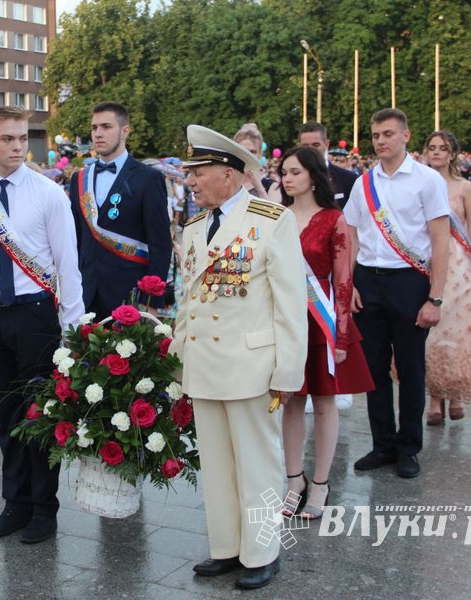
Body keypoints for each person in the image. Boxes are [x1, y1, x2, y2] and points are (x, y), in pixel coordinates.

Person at [170, 125, 308, 590]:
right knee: (217, 462)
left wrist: (288, 370)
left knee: (257, 462)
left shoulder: (270, 220)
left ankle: (263, 551)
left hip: (252, 367)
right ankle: (227, 547)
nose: (190, 181)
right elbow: (189, 300)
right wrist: (177, 360)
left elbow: (290, 303)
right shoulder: (192, 229)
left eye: (198, 171)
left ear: (227, 174)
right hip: (205, 367)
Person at [0, 107, 84, 544]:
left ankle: (45, 510)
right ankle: (16, 504)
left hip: (36, 315)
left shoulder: (48, 193)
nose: (18, 147)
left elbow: (68, 264)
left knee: (42, 416)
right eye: (7, 139)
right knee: (7, 419)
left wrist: (72, 329)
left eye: (23, 138)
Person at [344, 108, 450, 479]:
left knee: (409, 367)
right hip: (368, 282)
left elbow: (440, 240)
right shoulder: (364, 184)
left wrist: (434, 297)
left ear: (405, 136)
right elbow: (352, 234)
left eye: (388, 134)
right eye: (375, 136)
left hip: (409, 281)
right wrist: (351, 284)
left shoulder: (426, 180)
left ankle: (409, 447)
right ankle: (383, 444)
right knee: (373, 369)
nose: (381, 141)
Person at [277, 146, 374, 520]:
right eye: (284, 172)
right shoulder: (278, 218)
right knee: (290, 401)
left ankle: (320, 484)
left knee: (324, 401)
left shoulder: (334, 219)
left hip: (321, 322)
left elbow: (344, 280)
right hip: (287, 320)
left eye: (295, 172)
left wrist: (343, 336)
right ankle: (293, 481)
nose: (287, 178)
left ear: (314, 176)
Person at [68, 102, 172, 320]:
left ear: (125, 131)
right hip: (85, 295)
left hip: (130, 296)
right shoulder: (79, 179)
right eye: (94, 127)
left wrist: (151, 301)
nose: (98, 134)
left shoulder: (149, 178)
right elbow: (75, 241)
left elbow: (160, 244)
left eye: (106, 127)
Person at [423, 131, 471, 424]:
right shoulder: (419, 185)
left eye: (443, 149)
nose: (436, 153)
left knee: (457, 330)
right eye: (432, 148)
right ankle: (435, 398)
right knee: (432, 334)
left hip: (460, 267)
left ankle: (456, 393)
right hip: (428, 263)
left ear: (452, 154)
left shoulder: (465, 188)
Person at [299, 121, 359, 208]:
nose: (310, 150)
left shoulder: (349, 179)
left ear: (326, 144)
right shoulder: (290, 180)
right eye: (305, 146)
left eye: (316, 145)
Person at [233, 123, 282, 202]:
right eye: (242, 151)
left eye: (252, 152)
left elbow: (276, 213)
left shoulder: (272, 186)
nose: (248, 156)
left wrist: (259, 188)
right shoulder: (226, 184)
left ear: (260, 154)